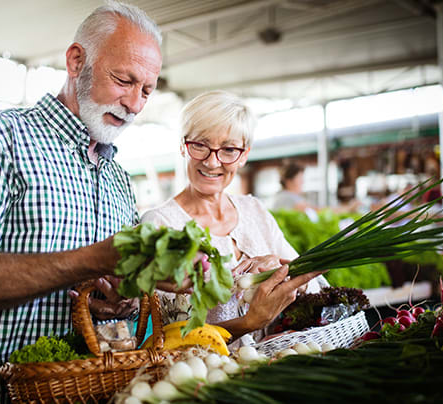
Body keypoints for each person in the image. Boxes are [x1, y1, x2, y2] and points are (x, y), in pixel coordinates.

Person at [0, 3, 165, 402]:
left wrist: (118, 303)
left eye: (147, 90)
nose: (135, 104)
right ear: (76, 61)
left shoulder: (120, 179)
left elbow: (113, 305)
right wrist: (94, 258)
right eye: (124, 80)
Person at [140, 90, 328, 346]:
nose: (212, 162)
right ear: (183, 146)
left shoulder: (254, 211)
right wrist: (249, 323)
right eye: (200, 145)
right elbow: (172, 336)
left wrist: (281, 272)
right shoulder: (160, 224)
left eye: (228, 149)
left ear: (244, 155)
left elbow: (315, 285)